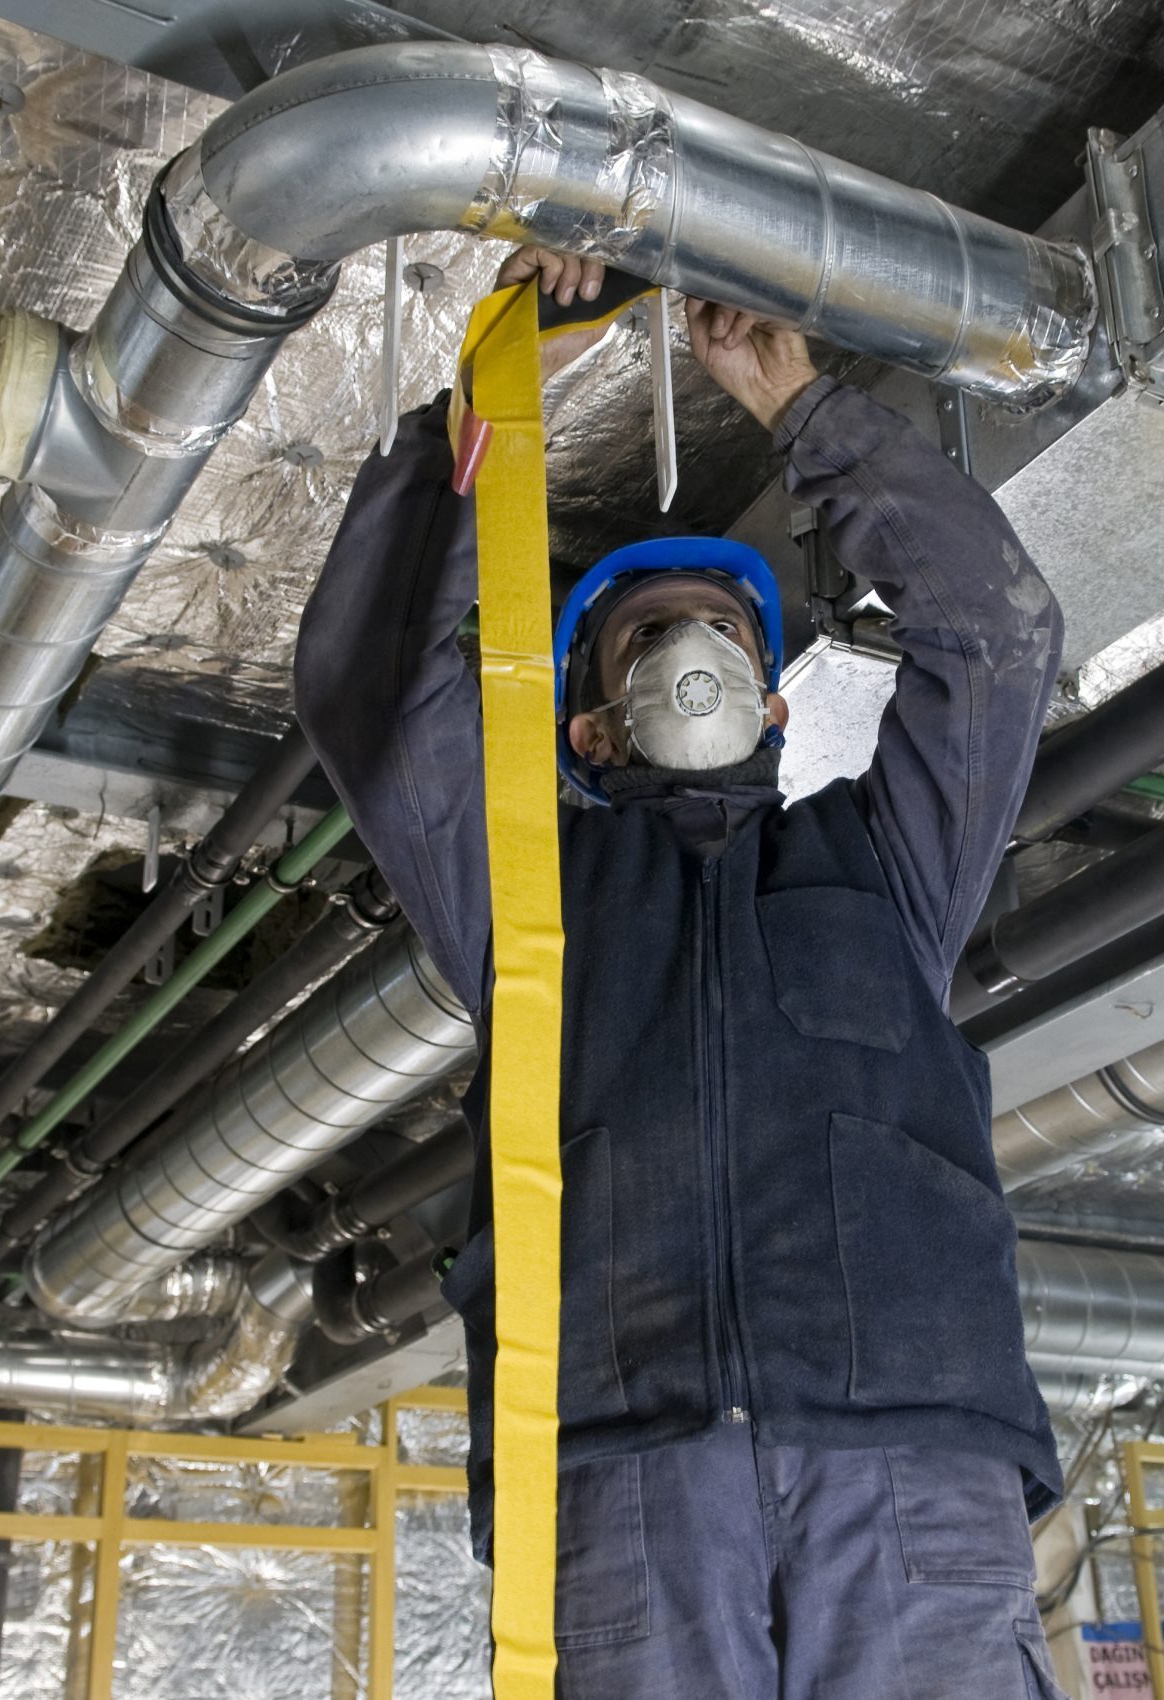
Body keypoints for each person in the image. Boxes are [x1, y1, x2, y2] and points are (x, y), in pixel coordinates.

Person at [295, 243, 1070, 1699]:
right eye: (648, 639)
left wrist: (801, 409)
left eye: (720, 631)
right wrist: (500, 392)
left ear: (776, 705)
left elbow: (995, 635)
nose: (692, 650)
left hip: (907, 1459)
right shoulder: (531, 896)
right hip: (619, 1470)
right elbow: (374, 692)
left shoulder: (886, 868)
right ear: (589, 730)